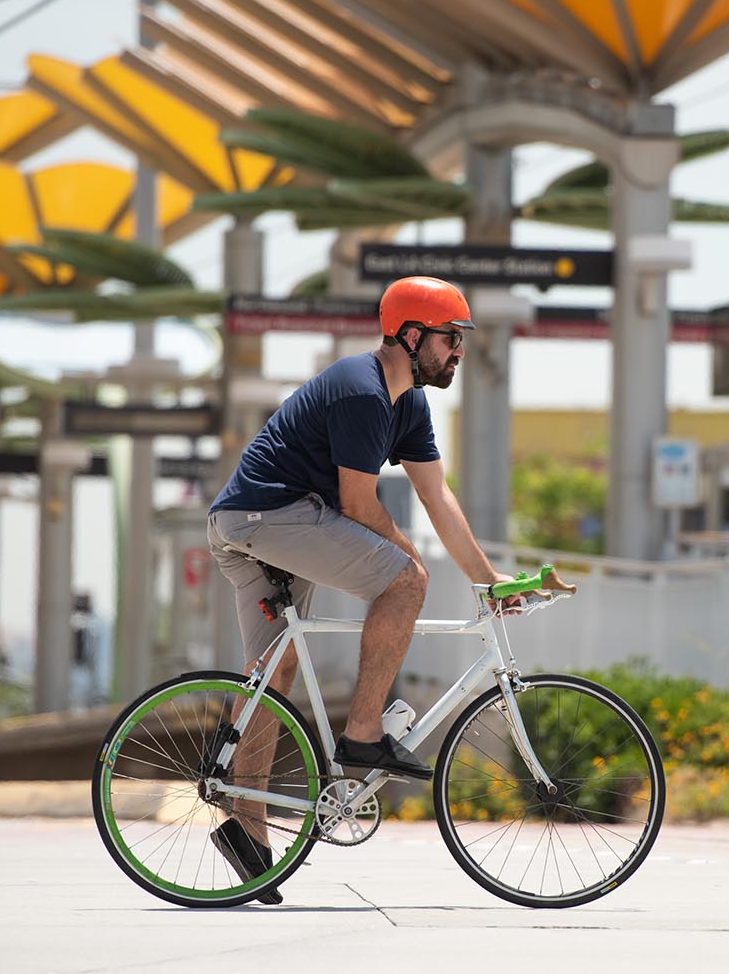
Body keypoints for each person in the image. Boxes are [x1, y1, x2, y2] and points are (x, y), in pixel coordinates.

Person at [204, 275, 518, 900]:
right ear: (410, 334)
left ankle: (246, 830)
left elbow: (437, 496)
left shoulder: (410, 405)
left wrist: (489, 580)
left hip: (257, 523)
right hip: (268, 519)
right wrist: (411, 564)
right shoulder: (361, 390)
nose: (458, 351)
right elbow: (356, 504)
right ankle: (364, 735)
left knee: (278, 667)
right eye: (451, 339)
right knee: (405, 583)